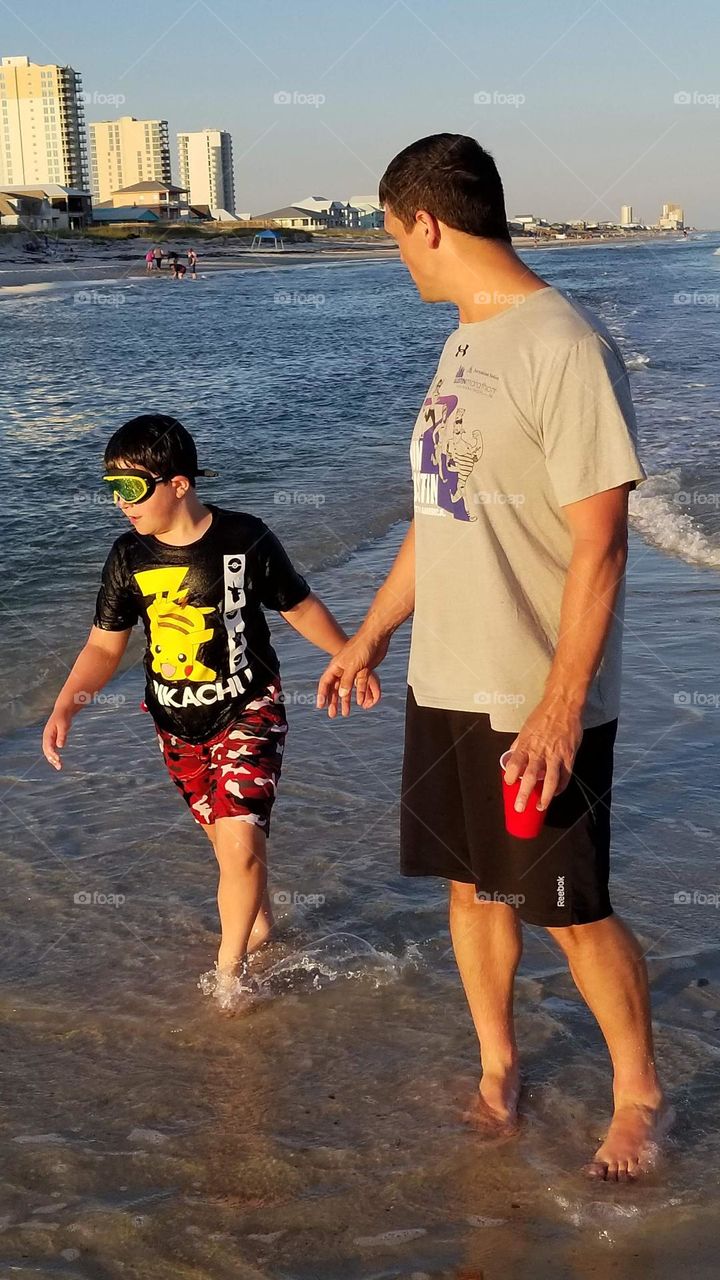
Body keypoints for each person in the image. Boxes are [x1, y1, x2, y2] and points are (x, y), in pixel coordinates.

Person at [318, 133, 669, 1182]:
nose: (401, 261)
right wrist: (374, 632)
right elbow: (441, 510)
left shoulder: (564, 343)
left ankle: (639, 1089)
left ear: (428, 222)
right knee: (468, 888)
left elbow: (600, 541)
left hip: (534, 689)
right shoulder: (462, 342)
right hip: (447, 678)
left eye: (396, 240)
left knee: (566, 906)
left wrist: (562, 706)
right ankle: (499, 1066)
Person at [42, 414, 380, 1010]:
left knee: (241, 845)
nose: (121, 503)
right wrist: (67, 704)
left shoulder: (244, 539)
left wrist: (352, 656)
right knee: (227, 846)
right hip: (176, 726)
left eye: (131, 489)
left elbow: (298, 606)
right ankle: (264, 925)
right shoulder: (128, 557)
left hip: (250, 709)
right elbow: (104, 644)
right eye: (111, 489)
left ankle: (229, 975)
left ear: (177, 484)